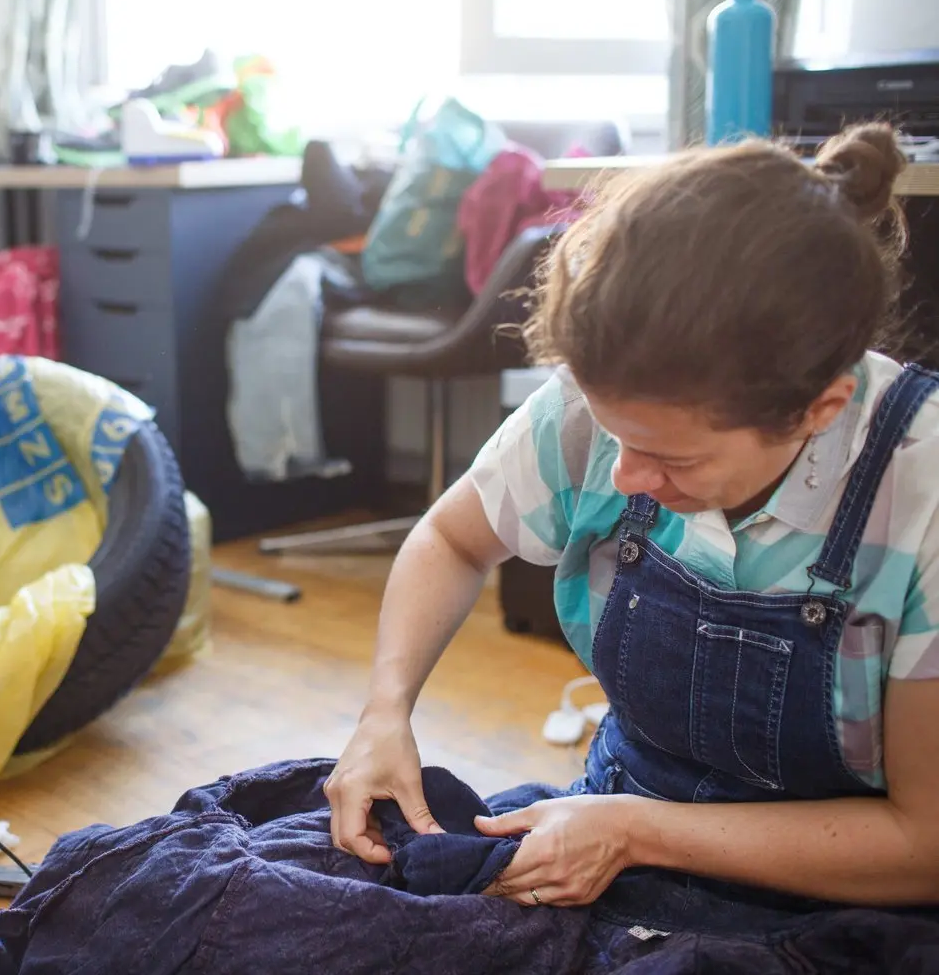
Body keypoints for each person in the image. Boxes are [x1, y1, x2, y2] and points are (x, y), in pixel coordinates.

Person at [325, 122, 939, 915]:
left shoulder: (921, 491)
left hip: (846, 898)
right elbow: (449, 538)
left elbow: (923, 845)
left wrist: (640, 834)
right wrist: (385, 709)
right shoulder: (608, 397)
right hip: (616, 823)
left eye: (673, 461)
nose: (623, 477)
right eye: (616, 436)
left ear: (819, 409)